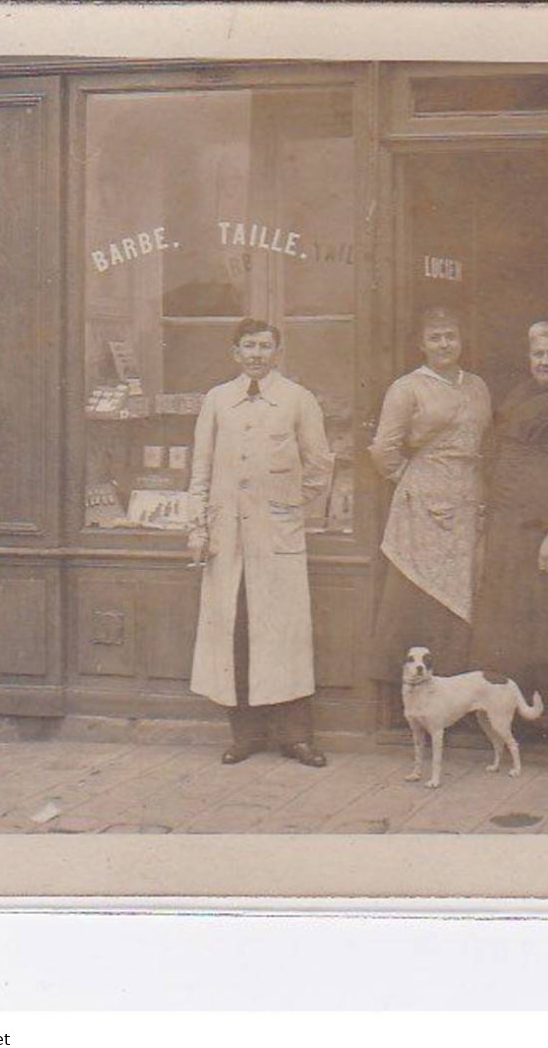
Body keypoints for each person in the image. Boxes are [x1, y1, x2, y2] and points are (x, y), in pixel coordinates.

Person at [187, 319, 334, 767]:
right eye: (247, 346)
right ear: (235, 352)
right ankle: (246, 736)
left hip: (277, 538)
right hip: (227, 539)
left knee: (285, 633)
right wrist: (198, 527)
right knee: (236, 629)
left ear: (277, 352)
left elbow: (320, 466)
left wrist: (288, 506)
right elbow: (201, 471)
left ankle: (296, 738)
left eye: (264, 346)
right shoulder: (218, 400)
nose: (256, 354)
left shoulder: (297, 399)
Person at [471, 321, 548, 741]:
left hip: (543, 528)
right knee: (509, 618)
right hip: (509, 520)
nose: (544, 361)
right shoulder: (522, 391)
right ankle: (509, 715)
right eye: (538, 353)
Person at [368, 307, 493, 684]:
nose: (444, 344)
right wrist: (412, 478)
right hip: (423, 501)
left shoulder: (477, 386)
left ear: (462, 340)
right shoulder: (407, 388)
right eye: (435, 337)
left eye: (451, 336)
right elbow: (382, 449)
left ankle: (453, 681)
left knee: (462, 584)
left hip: (469, 494)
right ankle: (410, 685)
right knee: (418, 589)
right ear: (421, 344)